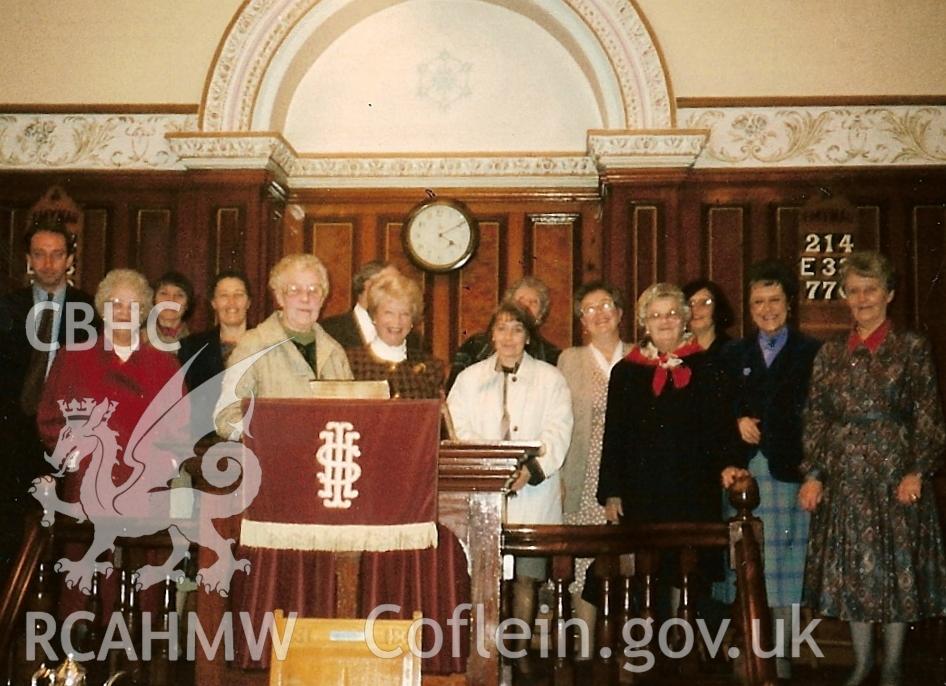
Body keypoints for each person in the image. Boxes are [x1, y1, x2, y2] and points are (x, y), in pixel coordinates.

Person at [799, 251, 946, 686]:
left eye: (871, 289)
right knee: (855, 572)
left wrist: (918, 470)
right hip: (845, 476)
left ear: (889, 294)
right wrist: (814, 474)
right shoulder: (829, 353)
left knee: (896, 570)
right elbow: (817, 417)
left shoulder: (912, 347)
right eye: (854, 291)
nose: (862, 298)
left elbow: (928, 416)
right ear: (845, 297)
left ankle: (894, 666)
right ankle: (862, 663)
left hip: (895, 476)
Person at [597, 283, 739, 615]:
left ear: (685, 320)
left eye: (673, 314)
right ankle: (650, 650)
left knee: (690, 573)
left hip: (694, 490)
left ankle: (686, 648)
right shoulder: (626, 372)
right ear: (644, 322)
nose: (665, 321)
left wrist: (730, 463)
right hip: (643, 492)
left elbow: (721, 426)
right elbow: (614, 435)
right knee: (649, 574)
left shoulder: (708, 367)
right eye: (656, 315)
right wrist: (612, 492)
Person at [717, 260, 821, 681]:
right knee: (745, 567)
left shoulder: (812, 352)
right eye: (758, 301)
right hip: (744, 475)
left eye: (775, 299)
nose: (767, 308)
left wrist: (815, 473)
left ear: (789, 304)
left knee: (784, 573)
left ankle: (778, 661)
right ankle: (750, 654)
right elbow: (717, 411)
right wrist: (735, 422)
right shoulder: (732, 353)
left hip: (788, 473)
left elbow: (819, 417)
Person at [447, 301, 572, 652]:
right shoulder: (469, 380)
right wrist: (491, 471)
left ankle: (517, 654)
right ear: (491, 335)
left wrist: (529, 471)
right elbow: (459, 430)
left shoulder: (551, 379)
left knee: (527, 579)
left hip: (533, 496)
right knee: (487, 578)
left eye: (517, 329)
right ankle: (486, 653)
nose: (509, 337)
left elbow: (558, 431)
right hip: (485, 497)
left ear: (528, 337)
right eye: (502, 328)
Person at [0, 214, 97, 578]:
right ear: (28, 258)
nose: (48, 263)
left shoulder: (88, 309)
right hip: (13, 433)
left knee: (61, 533)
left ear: (70, 259)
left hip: (65, 434)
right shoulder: (8, 307)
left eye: (57, 254)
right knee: (12, 531)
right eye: (39, 254)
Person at [556, 281, 630, 649]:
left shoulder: (640, 355)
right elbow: (560, 421)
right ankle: (586, 653)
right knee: (585, 563)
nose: (599, 314)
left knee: (629, 562)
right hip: (584, 473)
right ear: (581, 321)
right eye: (589, 309)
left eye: (606, 305)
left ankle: (626, 655)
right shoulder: (570, 359)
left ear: (619, 313)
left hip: (631, 476)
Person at [214, 253, 352, 438]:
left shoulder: (335, 352)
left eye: (314, 290)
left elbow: (354, 413)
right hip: (273, 461)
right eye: (294, 290)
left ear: (323, 298)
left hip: (326, 461)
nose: (305, 298)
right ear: (279, 297)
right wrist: (274, 434)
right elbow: (226, 417)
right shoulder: (254, 345)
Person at [447, 276, 561, 389]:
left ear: (541, 313)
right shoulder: (475, 345)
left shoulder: (551, 354)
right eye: (521, 300)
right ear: (508, 306)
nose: (526, 306)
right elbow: (453, 388)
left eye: (533, 302)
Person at [345, 272, 444, 398]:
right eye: (389, 313)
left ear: (412, 321)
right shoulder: (351, 362)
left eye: (405, 314)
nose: (397, 321)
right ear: (374, 316)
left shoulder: (431, 367)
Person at [320, 260, 423, 352]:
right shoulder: (329, 332)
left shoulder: (412, 339)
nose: (398, 291)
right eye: (389, 286)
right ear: (368, 286)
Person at [178, 269, 252, 392]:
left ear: (248, 302)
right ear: (213, 303)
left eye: (238, 295)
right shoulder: (191, 347)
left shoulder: (266, 344)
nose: (231, 302)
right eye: (224, 295)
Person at [682, 278, 735, 354]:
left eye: (705, 302)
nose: (696, 309)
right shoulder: (674, 352)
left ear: (717, 307)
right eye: (690, 304)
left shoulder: (734, 351)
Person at [147, 270, 195, 349]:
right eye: (164, 293)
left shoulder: (198, 343)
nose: (171, 300)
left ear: (187, 304)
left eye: (179, 295)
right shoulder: (137, 340)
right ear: (153, 299)